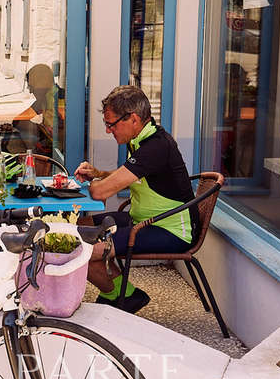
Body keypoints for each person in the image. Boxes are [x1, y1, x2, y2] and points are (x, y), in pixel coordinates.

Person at [74, 85, 204, 313]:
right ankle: (120, 294)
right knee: (77, 230)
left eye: (111, 124)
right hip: (143, 220)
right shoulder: (143, 139)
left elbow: (99, 193)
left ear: (133, 118)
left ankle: (124, 296)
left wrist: (95, 184)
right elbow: (129, 176)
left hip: (169, 230)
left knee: (81, 250)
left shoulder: (155, 147)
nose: (108, 130)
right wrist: (99, 174)